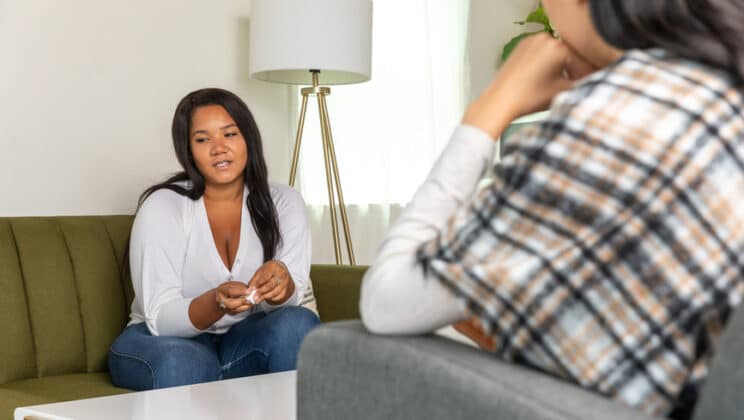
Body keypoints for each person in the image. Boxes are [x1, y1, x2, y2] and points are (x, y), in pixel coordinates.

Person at [360, 0, 744, 418]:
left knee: (345, 349)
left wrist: (488, 111)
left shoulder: (612, 115)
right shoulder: (717, 89)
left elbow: (385, 300)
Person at [108, 88, 319, 390]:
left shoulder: (285, 203)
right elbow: (160, 319)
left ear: (249, 138)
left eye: (229, 134)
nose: (218, 148)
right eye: (202, 139)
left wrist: (282, 288)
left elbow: (291, 302)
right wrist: (215, 302)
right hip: (160, 341)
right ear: (188, 150)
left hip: (242, 341)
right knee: (185, 363)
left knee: (299, 324)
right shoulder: (163, 206)